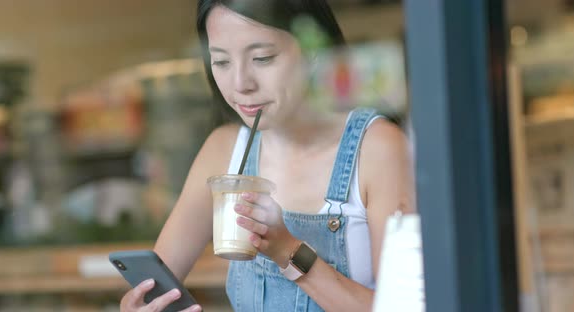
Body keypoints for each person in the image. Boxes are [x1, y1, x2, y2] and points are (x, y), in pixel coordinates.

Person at [120, 0, 416, 311]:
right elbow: (153, 285)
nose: (240, 84)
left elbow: (404, 307)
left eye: (262, 58)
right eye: (221, 62)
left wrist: (287, 251)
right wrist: (138, 305)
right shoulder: (223, 150)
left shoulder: (377, 148)